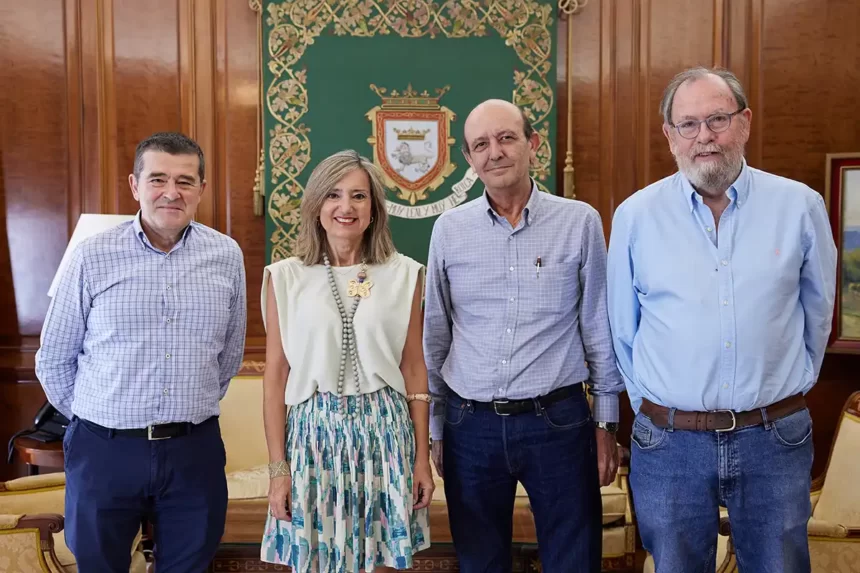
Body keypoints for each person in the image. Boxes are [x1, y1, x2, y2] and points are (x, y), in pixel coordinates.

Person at [607, 67, 837, 573]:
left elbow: (818, 314)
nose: (704, 137)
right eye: (687, 124)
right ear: (669, 136)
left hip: (773, 436)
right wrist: (655, 406)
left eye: (717, 119)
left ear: (745, 123)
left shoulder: (799, 206)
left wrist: (787, 387)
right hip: (669, 442)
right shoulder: (635, 217)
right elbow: (622, 330)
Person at [423, 99, 624, 573]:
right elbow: (435, 337)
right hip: (469, 427)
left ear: (533, 144)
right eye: (481, 145)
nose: (494, 152)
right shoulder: (449, 230)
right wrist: (434, 428)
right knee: (480, 565)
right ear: (470, 160)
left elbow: (599, 323)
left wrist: (607, 423)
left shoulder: (580, 222)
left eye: (506, 138)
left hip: (558, 422)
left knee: (574, 562)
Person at [35, 132, 248, 572]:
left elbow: (228, 355)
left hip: (194, 451)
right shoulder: (92, 256)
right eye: (158, 179)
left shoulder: (226, 255)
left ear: (202, 190)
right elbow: (53, 359)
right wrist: (98, 417)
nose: (172, 192)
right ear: (135, 185)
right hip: (105, 451)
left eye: (186, 181)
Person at [259, 150, 433, 572]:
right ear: (317, 206)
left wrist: (422, 458)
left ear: (373, 210)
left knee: (382, 562)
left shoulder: (405, 274)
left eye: (359, 196)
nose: (346, 207)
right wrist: (278, 469)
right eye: (334, 195)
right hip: (312, 438)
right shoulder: (284, 277)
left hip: (385, 434)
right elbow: (276, 376)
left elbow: (414, 367)